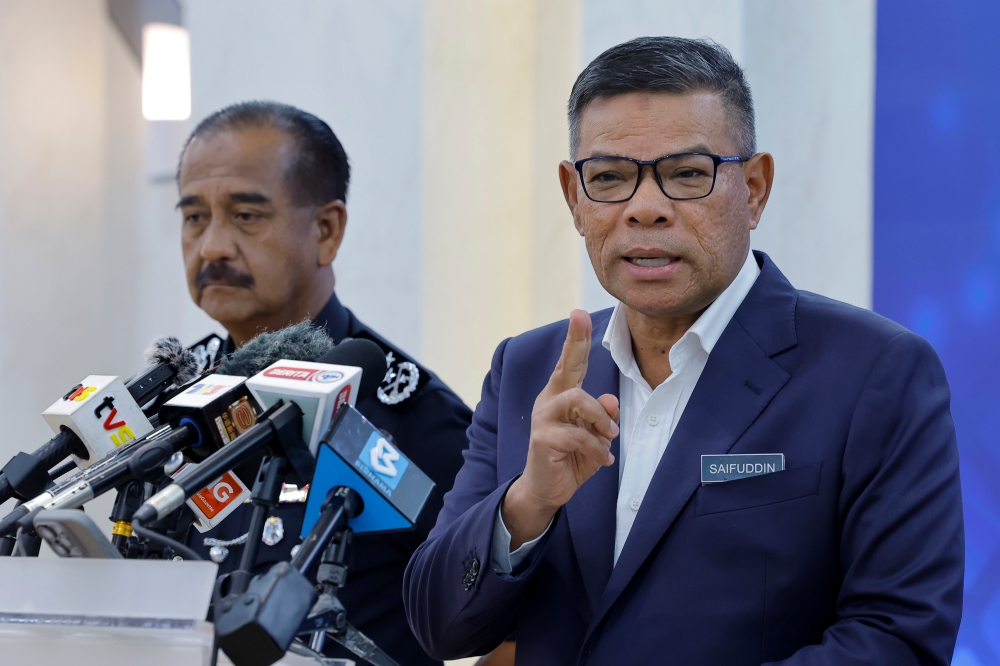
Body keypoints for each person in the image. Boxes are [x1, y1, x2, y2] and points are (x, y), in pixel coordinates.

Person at [404, 37, 964, 665]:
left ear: (755, 188)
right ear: (573, 197)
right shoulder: (528, 369)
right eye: (609, 178)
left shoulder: (874, 371)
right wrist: (527, 503)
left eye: (687, 175)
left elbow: (898, 639)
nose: (645, 210)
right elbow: (436, 626)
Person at [176, 101, 472, 666]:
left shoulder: (405, 414)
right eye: (194, 217)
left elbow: (511, 622)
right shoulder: (179, 403)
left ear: (326, 230)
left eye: (246, 215)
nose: (211, 246)